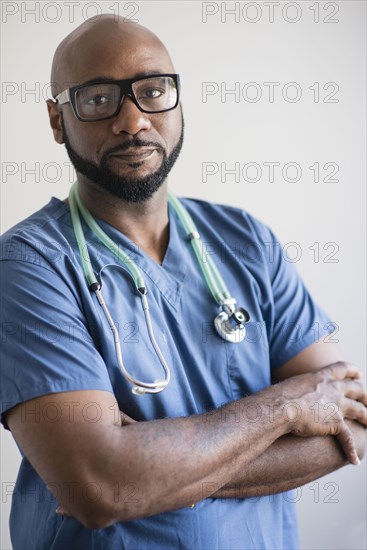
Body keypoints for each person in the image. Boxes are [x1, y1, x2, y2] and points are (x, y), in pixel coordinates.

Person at [0, 15, 366, 550]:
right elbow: (97, 485)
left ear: (177, 101)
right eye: (99, 99)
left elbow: (353, 425)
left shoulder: (246, 240)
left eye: (153, 91)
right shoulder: (29, 265)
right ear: (58, 121)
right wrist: (286, 406)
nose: (132, 121)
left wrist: (144, 476)